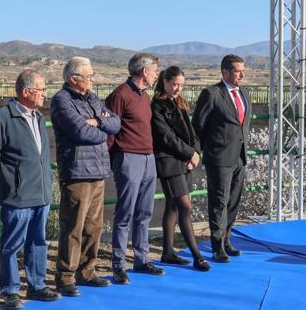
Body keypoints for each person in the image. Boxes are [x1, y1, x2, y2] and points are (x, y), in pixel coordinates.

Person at [0, 69, 59, 309]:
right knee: (12, 244)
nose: (44, 95)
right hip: (17, 196)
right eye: (41, 90)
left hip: (41, 193)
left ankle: (37, 285)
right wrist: (6, 187)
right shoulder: (3, 118)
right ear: (26, 92)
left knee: (38, 242)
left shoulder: (37, 116)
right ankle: (10, 290)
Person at [50, 57, 121, 295]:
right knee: (74, 226)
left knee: (94, 225)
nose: (92, 80)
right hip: (77, 171)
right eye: (89, 76)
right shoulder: (62, 101)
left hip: (98, 170)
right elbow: (80, 132)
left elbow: (116, 124)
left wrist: (98, 122)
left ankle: (86, 270)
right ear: (74, 79)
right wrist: (102, 129)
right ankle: (66, 276)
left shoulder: (91, 98)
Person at [105, 52, 164, 284]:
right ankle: (118, 264)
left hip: (148, 158)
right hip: (128, 158)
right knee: (125, 213)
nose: (157, 75)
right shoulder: (121, 94)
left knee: (145, 212)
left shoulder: (144, 96)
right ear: (144, 71)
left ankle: (141, 259)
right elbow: (110, 128)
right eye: (155, 71)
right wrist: (112, 160)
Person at [192, 54, 251, 263]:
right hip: (219, 158)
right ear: (225, 72)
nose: (242, 74)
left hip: (239, 158)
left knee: (233, 201)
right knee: (219, 202)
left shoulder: (243, 92)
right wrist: (200, 151)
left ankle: (227, 240)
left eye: (243, 70)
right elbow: (198, 126)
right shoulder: (211, 94)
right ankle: (216, 246)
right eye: (237, 71)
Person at [151, 65, 209, 271]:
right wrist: (189, 153)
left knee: (173, 206)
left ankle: (167, 252)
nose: (177, 88)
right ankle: (196, 255)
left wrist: (196, 153)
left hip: (185, 162)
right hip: (169, 162)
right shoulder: (156, 105)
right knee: (186, 207)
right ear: (164, 82)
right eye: (174, 84)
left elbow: (191, 132)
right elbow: (165, 136)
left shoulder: (180, 103)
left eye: (181, 85)